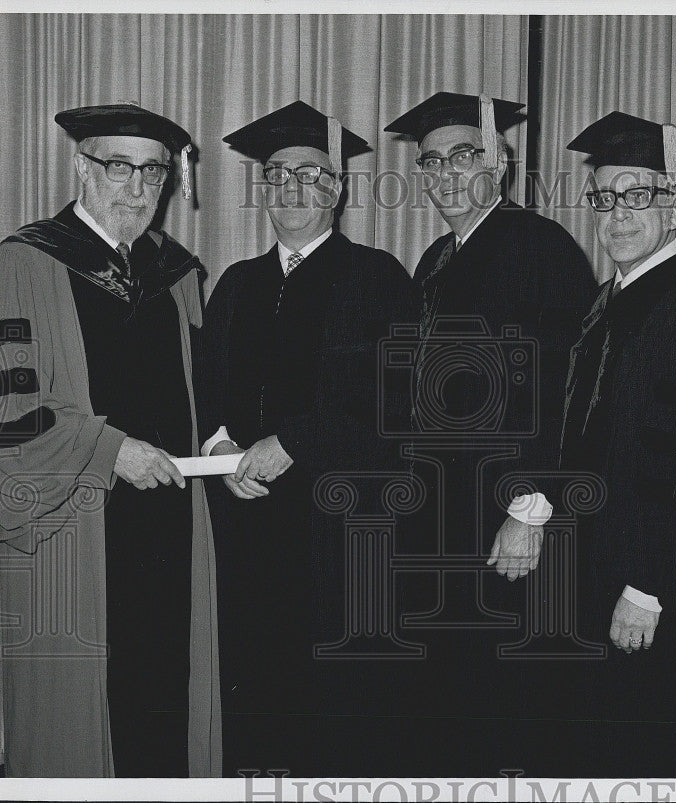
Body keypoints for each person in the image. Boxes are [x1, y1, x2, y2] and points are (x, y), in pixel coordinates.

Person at [0, 103, 220, 777]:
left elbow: (197, 393)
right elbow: (8, 408)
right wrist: (110, 449)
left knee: (166, 702)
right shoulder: (26, 261)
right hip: (76, 524)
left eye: (153, 170)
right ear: (80, 166)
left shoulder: (177, 275)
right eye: (117, 165)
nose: (137, 185)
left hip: (172, 524)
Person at [200, 100, 419, 776]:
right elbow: (204, 392)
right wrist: (216, 451)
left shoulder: (378, 278)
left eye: (310, 173)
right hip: (247, 528)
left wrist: (291, 441)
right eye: (277, 174)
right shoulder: (236, 284)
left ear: (338, 188)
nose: (292, 187)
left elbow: (396, 399)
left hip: (339, 533)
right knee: (254, 693)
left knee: (334, 711)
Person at [382, 91, 596, 776]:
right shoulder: (436, 258)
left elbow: (563, 387)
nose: (446, 173)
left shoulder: (541, 247)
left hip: (504, 521)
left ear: (500, 162)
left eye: (465, 155)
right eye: (432, 161)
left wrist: (530, 507)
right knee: (447, 703)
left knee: (505, 710)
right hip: (441, 519)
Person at [548, 112, 676, 777]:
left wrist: (649, 585)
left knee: (648, 757)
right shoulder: (606, 301)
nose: (617, 213)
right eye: (605, 197)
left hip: (652, 591)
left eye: (638, 195)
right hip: (591, 575)